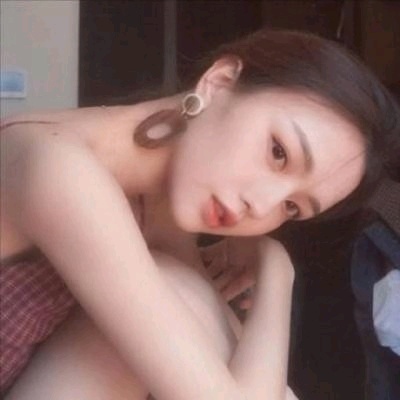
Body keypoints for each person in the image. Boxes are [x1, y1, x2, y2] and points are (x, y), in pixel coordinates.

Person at [1, 28, 399, 400]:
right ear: (219, 82)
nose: (262, 206)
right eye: (278, 152)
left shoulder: (156, 205)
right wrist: (278, 270)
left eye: (291, 207)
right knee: (184, 292)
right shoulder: (57, 167)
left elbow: (240, 370)